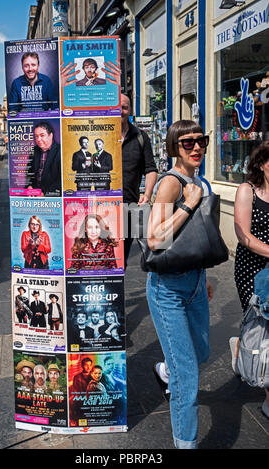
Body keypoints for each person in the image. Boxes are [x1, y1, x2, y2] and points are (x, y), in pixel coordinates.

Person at [146, 120, 213, 449]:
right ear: (174, 147)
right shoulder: (171, 183)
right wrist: (188, 204)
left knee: (200, 353)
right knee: (188, 377)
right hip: (168, 290)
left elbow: (195, 237)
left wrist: (205, 276)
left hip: (196, 283)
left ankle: (165, 371)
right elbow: (155, 238)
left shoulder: (198, 180)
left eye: (201, 141)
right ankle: (187, 443)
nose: (197, 147)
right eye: (188, 143)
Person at [230, 141, 269, 419]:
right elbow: (243, 235)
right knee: (261, 326)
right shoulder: (247, 191)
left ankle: (240, 347)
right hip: (252, 270)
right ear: (263, 164)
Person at [121, 94, 158, 268]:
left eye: (124, 107)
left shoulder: (141, 137)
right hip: (102, 207)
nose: (120, 111)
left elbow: (150, 169)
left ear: (130, 111)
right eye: (117, 107)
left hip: (130, 206)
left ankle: (118, 294)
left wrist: (147, 193)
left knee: (123, 258)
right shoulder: (100, 135)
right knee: (104, 258)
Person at [27, 121, 61, 196]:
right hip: (34, 193)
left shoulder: (60, 151)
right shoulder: (34, 150)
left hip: (52, 195)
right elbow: (29, 173)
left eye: (42, 135)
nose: (38, 139)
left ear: (50, 135)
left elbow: (62, 180)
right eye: (36, 136)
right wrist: (29, 186)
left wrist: (45, 193)